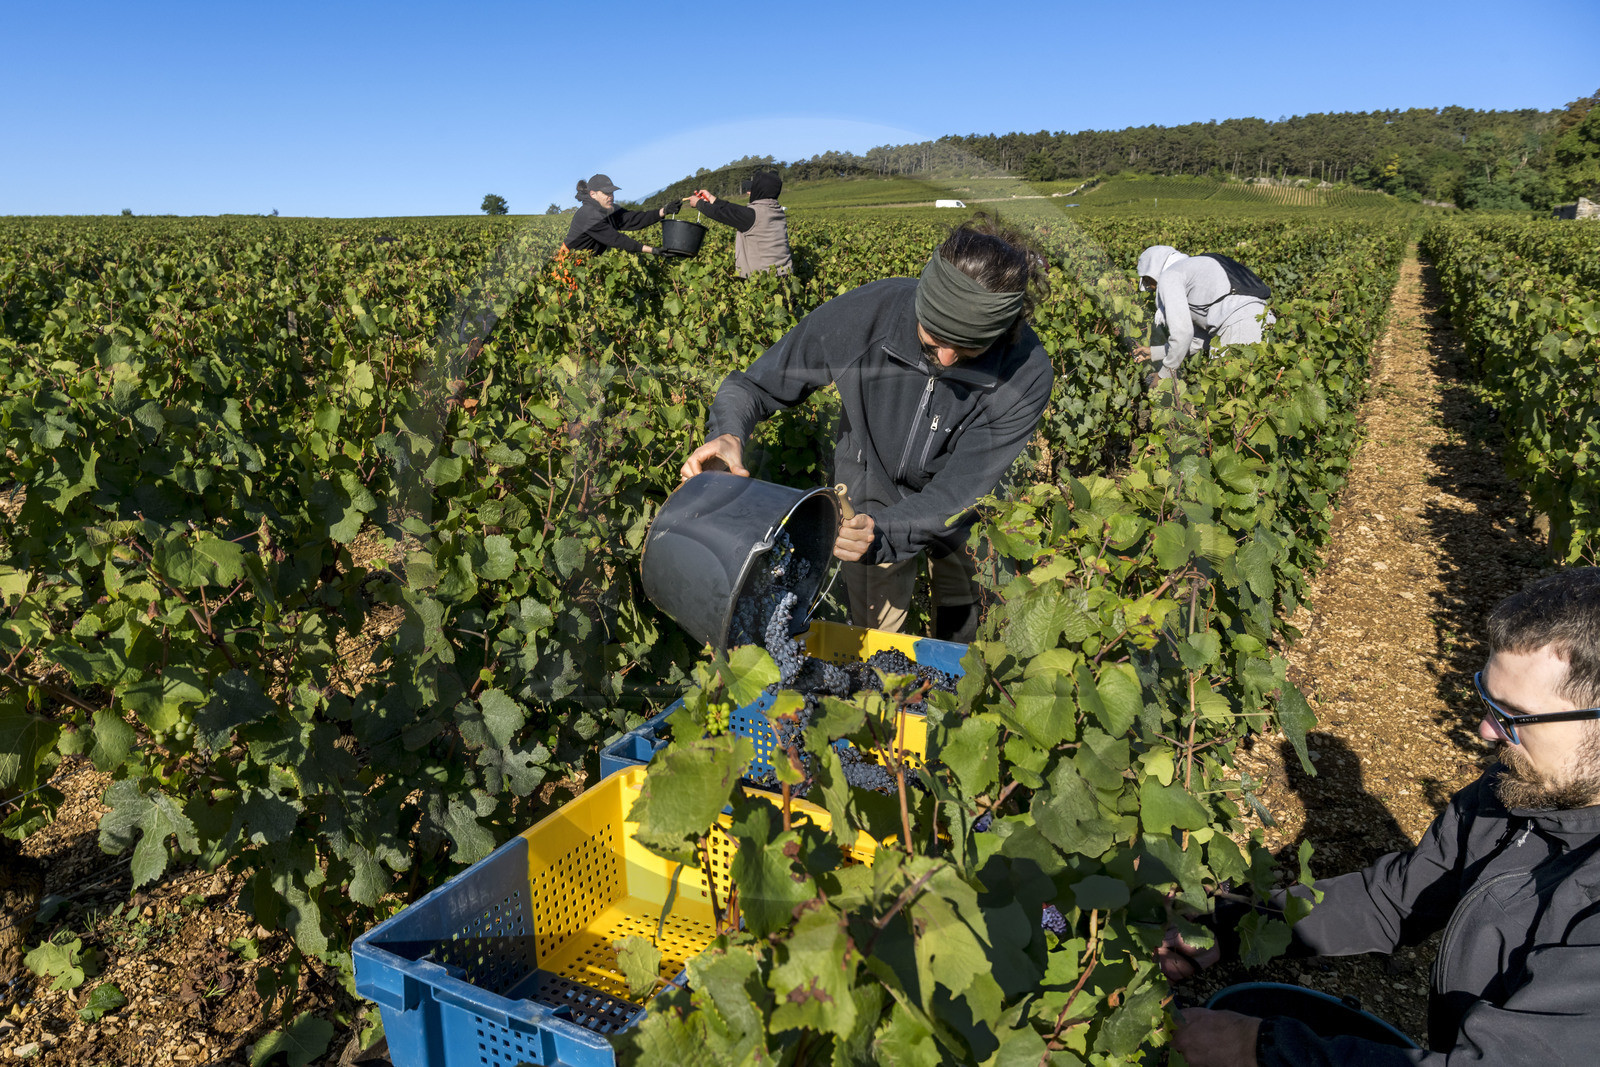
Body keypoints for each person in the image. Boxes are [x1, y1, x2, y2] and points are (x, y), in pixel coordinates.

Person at [1163, 566, 1600, 1066]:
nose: (1484, 730)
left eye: (1512, 716)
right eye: (1485, 698)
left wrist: (1260, 1049)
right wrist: (1229, 927)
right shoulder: (1517, 793)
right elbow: (1395, 898)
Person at [679, 214, 1053, 643]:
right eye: (933, 340)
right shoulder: (864, 317)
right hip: (869, 495)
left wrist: (898, 532)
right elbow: (752, 385)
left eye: (968, 348)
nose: (946, 360)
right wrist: (729, 430)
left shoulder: (1025, 376)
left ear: (1004, 331)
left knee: (964, 612)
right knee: (875, 636)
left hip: (966, 505)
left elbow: (955, 494)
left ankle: (951, 689)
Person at [1132, 245, 1274, 383]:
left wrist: (1164, 375)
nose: (1149, 287)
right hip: (1261, 320)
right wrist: (1157, 352)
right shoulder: (1192, 269)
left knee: (1228, 394)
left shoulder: (1170, 275)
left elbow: (1182, 334)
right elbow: (1199, 340)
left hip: (1239, 327)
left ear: (1153, 271)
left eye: (1146, 279)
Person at [685, 169, 794, 277]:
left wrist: (699, 203)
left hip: (764, 279)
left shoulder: (752, 215)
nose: (748, 192)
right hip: (785, 275)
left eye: (752, 189)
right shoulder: (776, 211)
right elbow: (732, 209)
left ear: (760, 191)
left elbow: (721, 213)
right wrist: (710, 198)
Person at [561, 174, 681, 256]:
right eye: (606, 193)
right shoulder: (587, 214)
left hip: (586, 265)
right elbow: (615, 239)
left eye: (612, 192)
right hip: (567, 265)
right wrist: (652, 250)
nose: (611, 196)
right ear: (593, 194)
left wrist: (663, 211)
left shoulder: (608, 209)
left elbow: (633, 219)